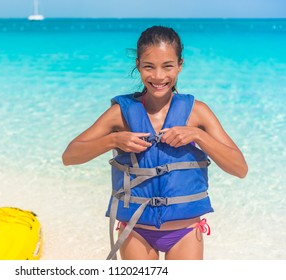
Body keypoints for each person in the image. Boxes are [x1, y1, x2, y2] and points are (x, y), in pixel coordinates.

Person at [62, 26, 248, 260]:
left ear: (180, 65)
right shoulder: (120, 113)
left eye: (167, 66)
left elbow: (239, 168)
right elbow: (70, 156)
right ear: (138, 65)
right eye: (149, 66)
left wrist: (199, 136)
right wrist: (113, 139)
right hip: (135, 232)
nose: (159, 76)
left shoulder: (198, 113)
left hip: (186, 232)